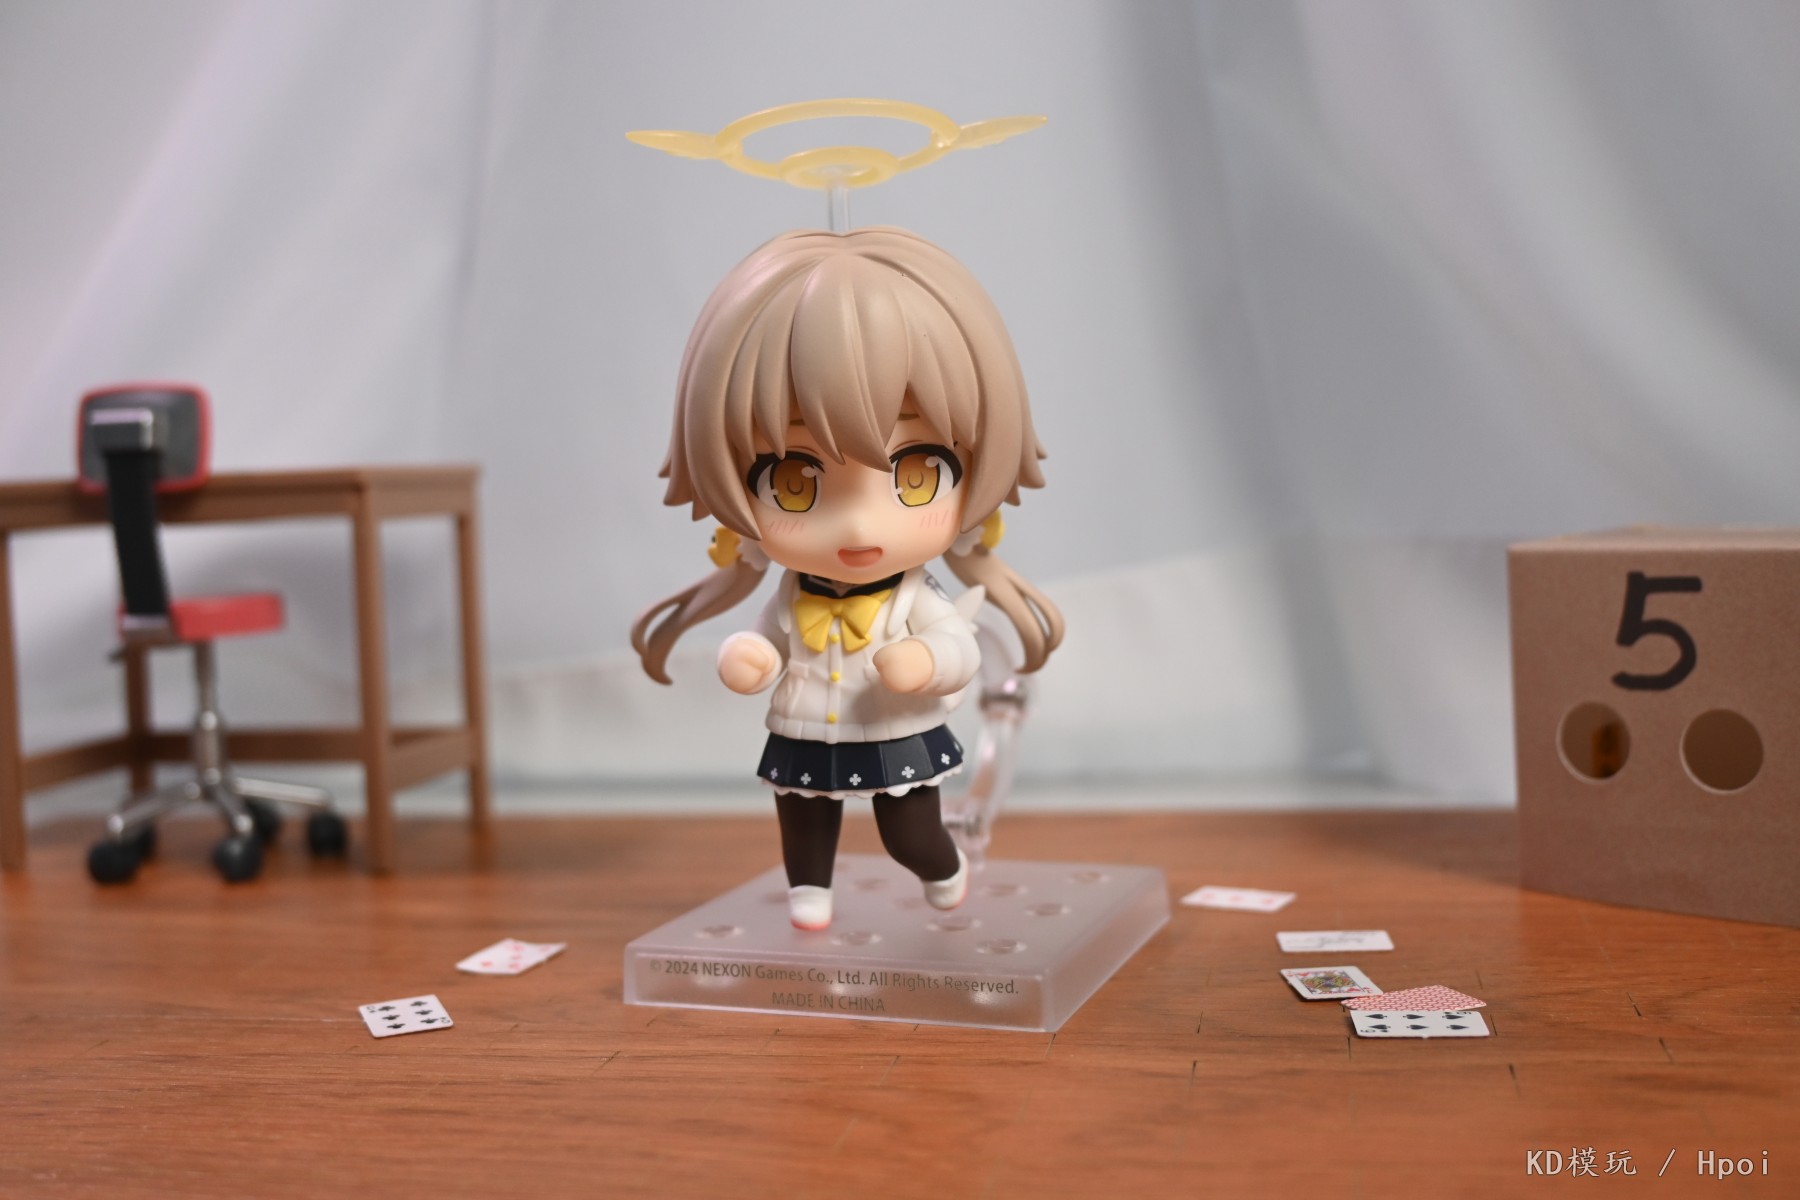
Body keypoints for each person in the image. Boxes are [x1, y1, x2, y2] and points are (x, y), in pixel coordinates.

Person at [633, 226, 1063, 930]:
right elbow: (768, 639)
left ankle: (942, 865)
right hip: (804, 723)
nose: (860, 526)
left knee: (908, 830)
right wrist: (752, 655)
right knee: (802, 812)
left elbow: (955, 644)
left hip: (893, 725)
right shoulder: (790, 593)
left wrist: (925, 661)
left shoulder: (914, 595)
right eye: (795, 481)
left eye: (916, 473)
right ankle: (810, 888)